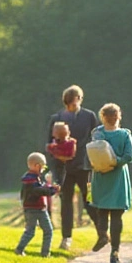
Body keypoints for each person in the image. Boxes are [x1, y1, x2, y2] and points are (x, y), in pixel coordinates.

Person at [47, 85, 99, 250]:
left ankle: (102, 231)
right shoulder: (56, 118)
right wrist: (55, 163)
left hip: (84, 165)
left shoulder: (89, 116)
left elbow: (97, 139)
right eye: (70, 102)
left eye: (75, 101)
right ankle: (66, 238)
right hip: (64, 168)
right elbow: (50, 144)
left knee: (89, 200)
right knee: (66, 203)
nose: (73, 104)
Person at [88, 103, 132, 263]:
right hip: (109, 176)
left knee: (109, 213)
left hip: (110, 176)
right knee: (108, 213)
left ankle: (110, 244)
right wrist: (111, 163)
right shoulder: (104, 133)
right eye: (110, 117)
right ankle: (108, 243)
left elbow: (128, 156)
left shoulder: (117, 134)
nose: (112, 119)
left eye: (113, 116)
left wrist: (110, 163)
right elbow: (128, 156)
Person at [15, 152, 60, 257]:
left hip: (30, 208)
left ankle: (19, 249)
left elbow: (40, 187)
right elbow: (39, 191)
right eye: (42, 167)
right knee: (47, 231)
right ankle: (45, 254)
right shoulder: (32, 179)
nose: (43, 169)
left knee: (30, 231)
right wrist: (52, 190)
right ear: (36, 165)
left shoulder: (30, 178)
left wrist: (49, 187)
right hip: (37, 208)